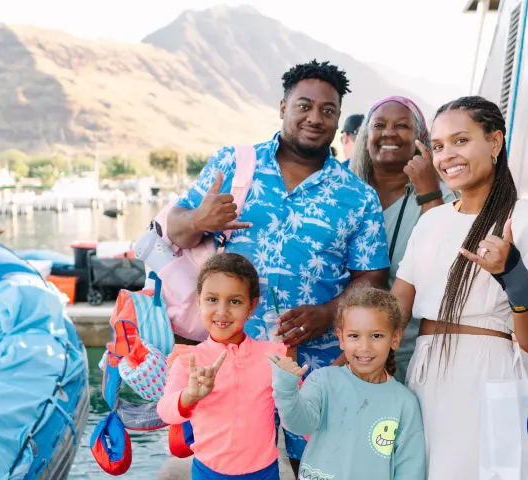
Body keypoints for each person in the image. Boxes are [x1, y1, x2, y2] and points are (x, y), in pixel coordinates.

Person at [166, 60, 390, 472]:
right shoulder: (234, 164)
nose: (315, 118)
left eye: (328, 111)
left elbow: (373, 277)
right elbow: (175, 229)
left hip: (314, 365)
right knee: (232, 464)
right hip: (231, 362)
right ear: (283, 105)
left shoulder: (357, 196)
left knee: (322, 465)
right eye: (304, 105)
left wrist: (330, 314)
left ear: (338, 119)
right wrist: (200, 219)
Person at [391, 96, 528, 479]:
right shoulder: (431, 222)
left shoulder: (527, 220)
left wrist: (512, 273)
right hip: (422, 377)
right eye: (438, 146)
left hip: (485, 381)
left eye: (460, 140)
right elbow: (395, 313)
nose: (446, 155)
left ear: (495, 142)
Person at [348, 96, 456, 380]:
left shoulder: (443, 197)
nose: (389, 132)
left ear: (421, 137)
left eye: (402, 125)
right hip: (344, 349)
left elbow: (448, 267)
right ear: (366, 135)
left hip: (409, 356)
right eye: (379, 124)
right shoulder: (344, 194)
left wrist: (428, 193)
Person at [268, 287, 425, 479]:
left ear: (395, 338)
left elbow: (411, 468)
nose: (364, 347)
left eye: (376, 336)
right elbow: (299, 424)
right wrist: (286, 389)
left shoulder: (404, 402)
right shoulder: (323, 380)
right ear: (341, 338)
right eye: (354, 336)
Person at [157, 253, 286, 479]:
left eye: (234, 301)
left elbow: (299, 413)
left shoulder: (272, 356)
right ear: (199, 301)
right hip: (208, 472)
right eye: (212, 299)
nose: (222, 311)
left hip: (264, 472)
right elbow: (166, 411)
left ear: (251, 306)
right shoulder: (188, 359)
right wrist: (189, 396)